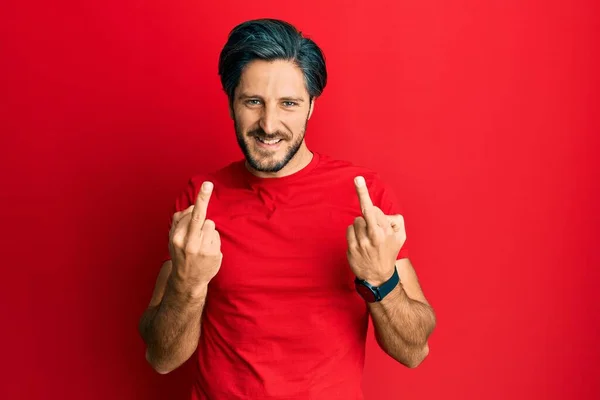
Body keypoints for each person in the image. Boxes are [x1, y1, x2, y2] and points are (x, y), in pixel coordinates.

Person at [138, 18, 436, 400]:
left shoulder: (365, 197)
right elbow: (161, 357)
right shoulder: (201, 201)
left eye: (289, 104)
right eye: (253, 102)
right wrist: (188, 285)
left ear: (311, 106)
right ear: (232, 104)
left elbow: (414, 351)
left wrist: (381, 280)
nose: (268, 123)